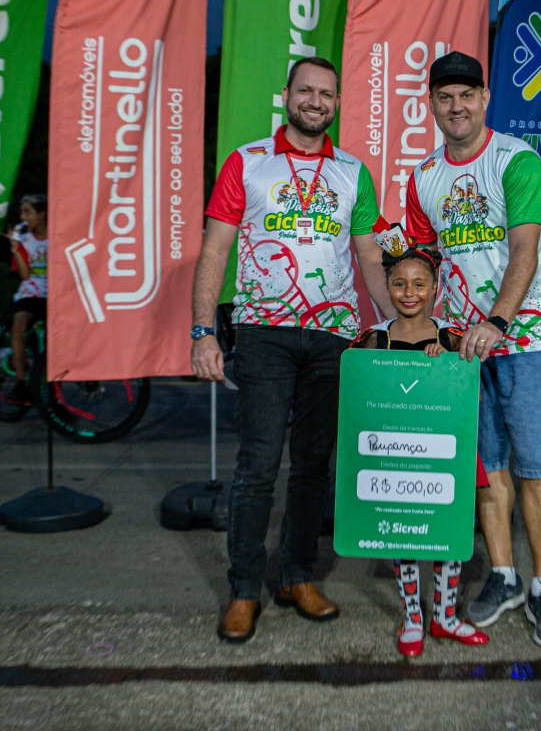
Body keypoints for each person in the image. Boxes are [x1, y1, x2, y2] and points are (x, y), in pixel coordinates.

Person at [190, 57, 391, 643]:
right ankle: (243, 590)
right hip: (264, 333)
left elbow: (370, 256)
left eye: (326, 94)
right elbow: (214, 250)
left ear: (336, 103)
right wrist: (203, 331)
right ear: (286, 95)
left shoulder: (353, 172)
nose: (315, 101)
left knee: (313, 466)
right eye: (306, 90)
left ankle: (297, 576)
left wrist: (395, 325)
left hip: (333, 336)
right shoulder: (247, 162)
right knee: (257, 466)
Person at [404, 51, 541, 648]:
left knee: (539, 464)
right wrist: (418, 329)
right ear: (432, 104)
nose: (457, 107)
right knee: (486, 467)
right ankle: (504, 577)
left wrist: (499, 320)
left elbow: (525, 248)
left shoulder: (516, 160)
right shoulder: (424, 175)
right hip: (461, 346)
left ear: (484, 98)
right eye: (445, 97)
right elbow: (422, 261)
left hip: (526, 336)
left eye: (466, 95)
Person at [350, 237, 491, 656]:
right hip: (394, 457)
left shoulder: (453, 338)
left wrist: (446, 366)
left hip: (445, 457)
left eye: (418, 284)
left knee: (448, 534)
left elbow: (471, 394)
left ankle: (445, 617)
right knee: (402, 536)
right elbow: (358, 399)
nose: (408, 293)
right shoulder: (371, 341)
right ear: (387, 287)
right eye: (399, 283)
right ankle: (413, 618)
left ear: (434, 288)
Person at [4, 194, 48, 406]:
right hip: (31, 293)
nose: (23, 217)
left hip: (56, 295)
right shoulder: (25, 240)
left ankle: (53, 391)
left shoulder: (58, 237)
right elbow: (25, 275)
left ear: (42, 214)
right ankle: (22, 383)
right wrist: (15, 248)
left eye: (28, 212)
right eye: (22, 212)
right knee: (20, 320)